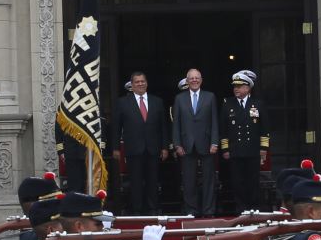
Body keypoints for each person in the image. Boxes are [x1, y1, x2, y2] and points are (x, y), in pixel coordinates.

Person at [108, 71, 168, 214]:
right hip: (133, 149)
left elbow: (163, 127)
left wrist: (165, 147)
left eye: (142, 81)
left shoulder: (157, 101)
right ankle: (137, 211)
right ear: (132, 85)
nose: (140, 84)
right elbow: (116, 127)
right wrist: (115, 148)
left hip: (153, 149)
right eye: (137, 82)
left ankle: (153, 210)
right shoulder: (122, 102)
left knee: (152, 181)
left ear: (146, 83)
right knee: (135, 182)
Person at [172, 68, 219, 217]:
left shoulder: (210, 97)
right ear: (187, 81)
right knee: (188, 181)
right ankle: (191, 210)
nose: (194, 80)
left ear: (201, 80)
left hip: (206, 144)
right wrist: (177, 144)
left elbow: (214, 122)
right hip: (186, 145)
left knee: (208, 180)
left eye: (197, 78)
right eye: (191, 78)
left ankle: (208, 210)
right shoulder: (179, 98)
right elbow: (176, 124)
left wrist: (215, 142)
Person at [221, 70, 269, 213]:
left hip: (252, 150)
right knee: (237, 183)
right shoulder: (227, 104)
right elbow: (223, 129)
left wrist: (263, 148)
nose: (236, 89)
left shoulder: (257, 104)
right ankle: (240, 209)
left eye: (240, 86)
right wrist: (225, 149)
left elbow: (264, 128)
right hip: (235, 151)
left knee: (253, 182)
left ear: (248, 88)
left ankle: (254, 208)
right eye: (235, 86)